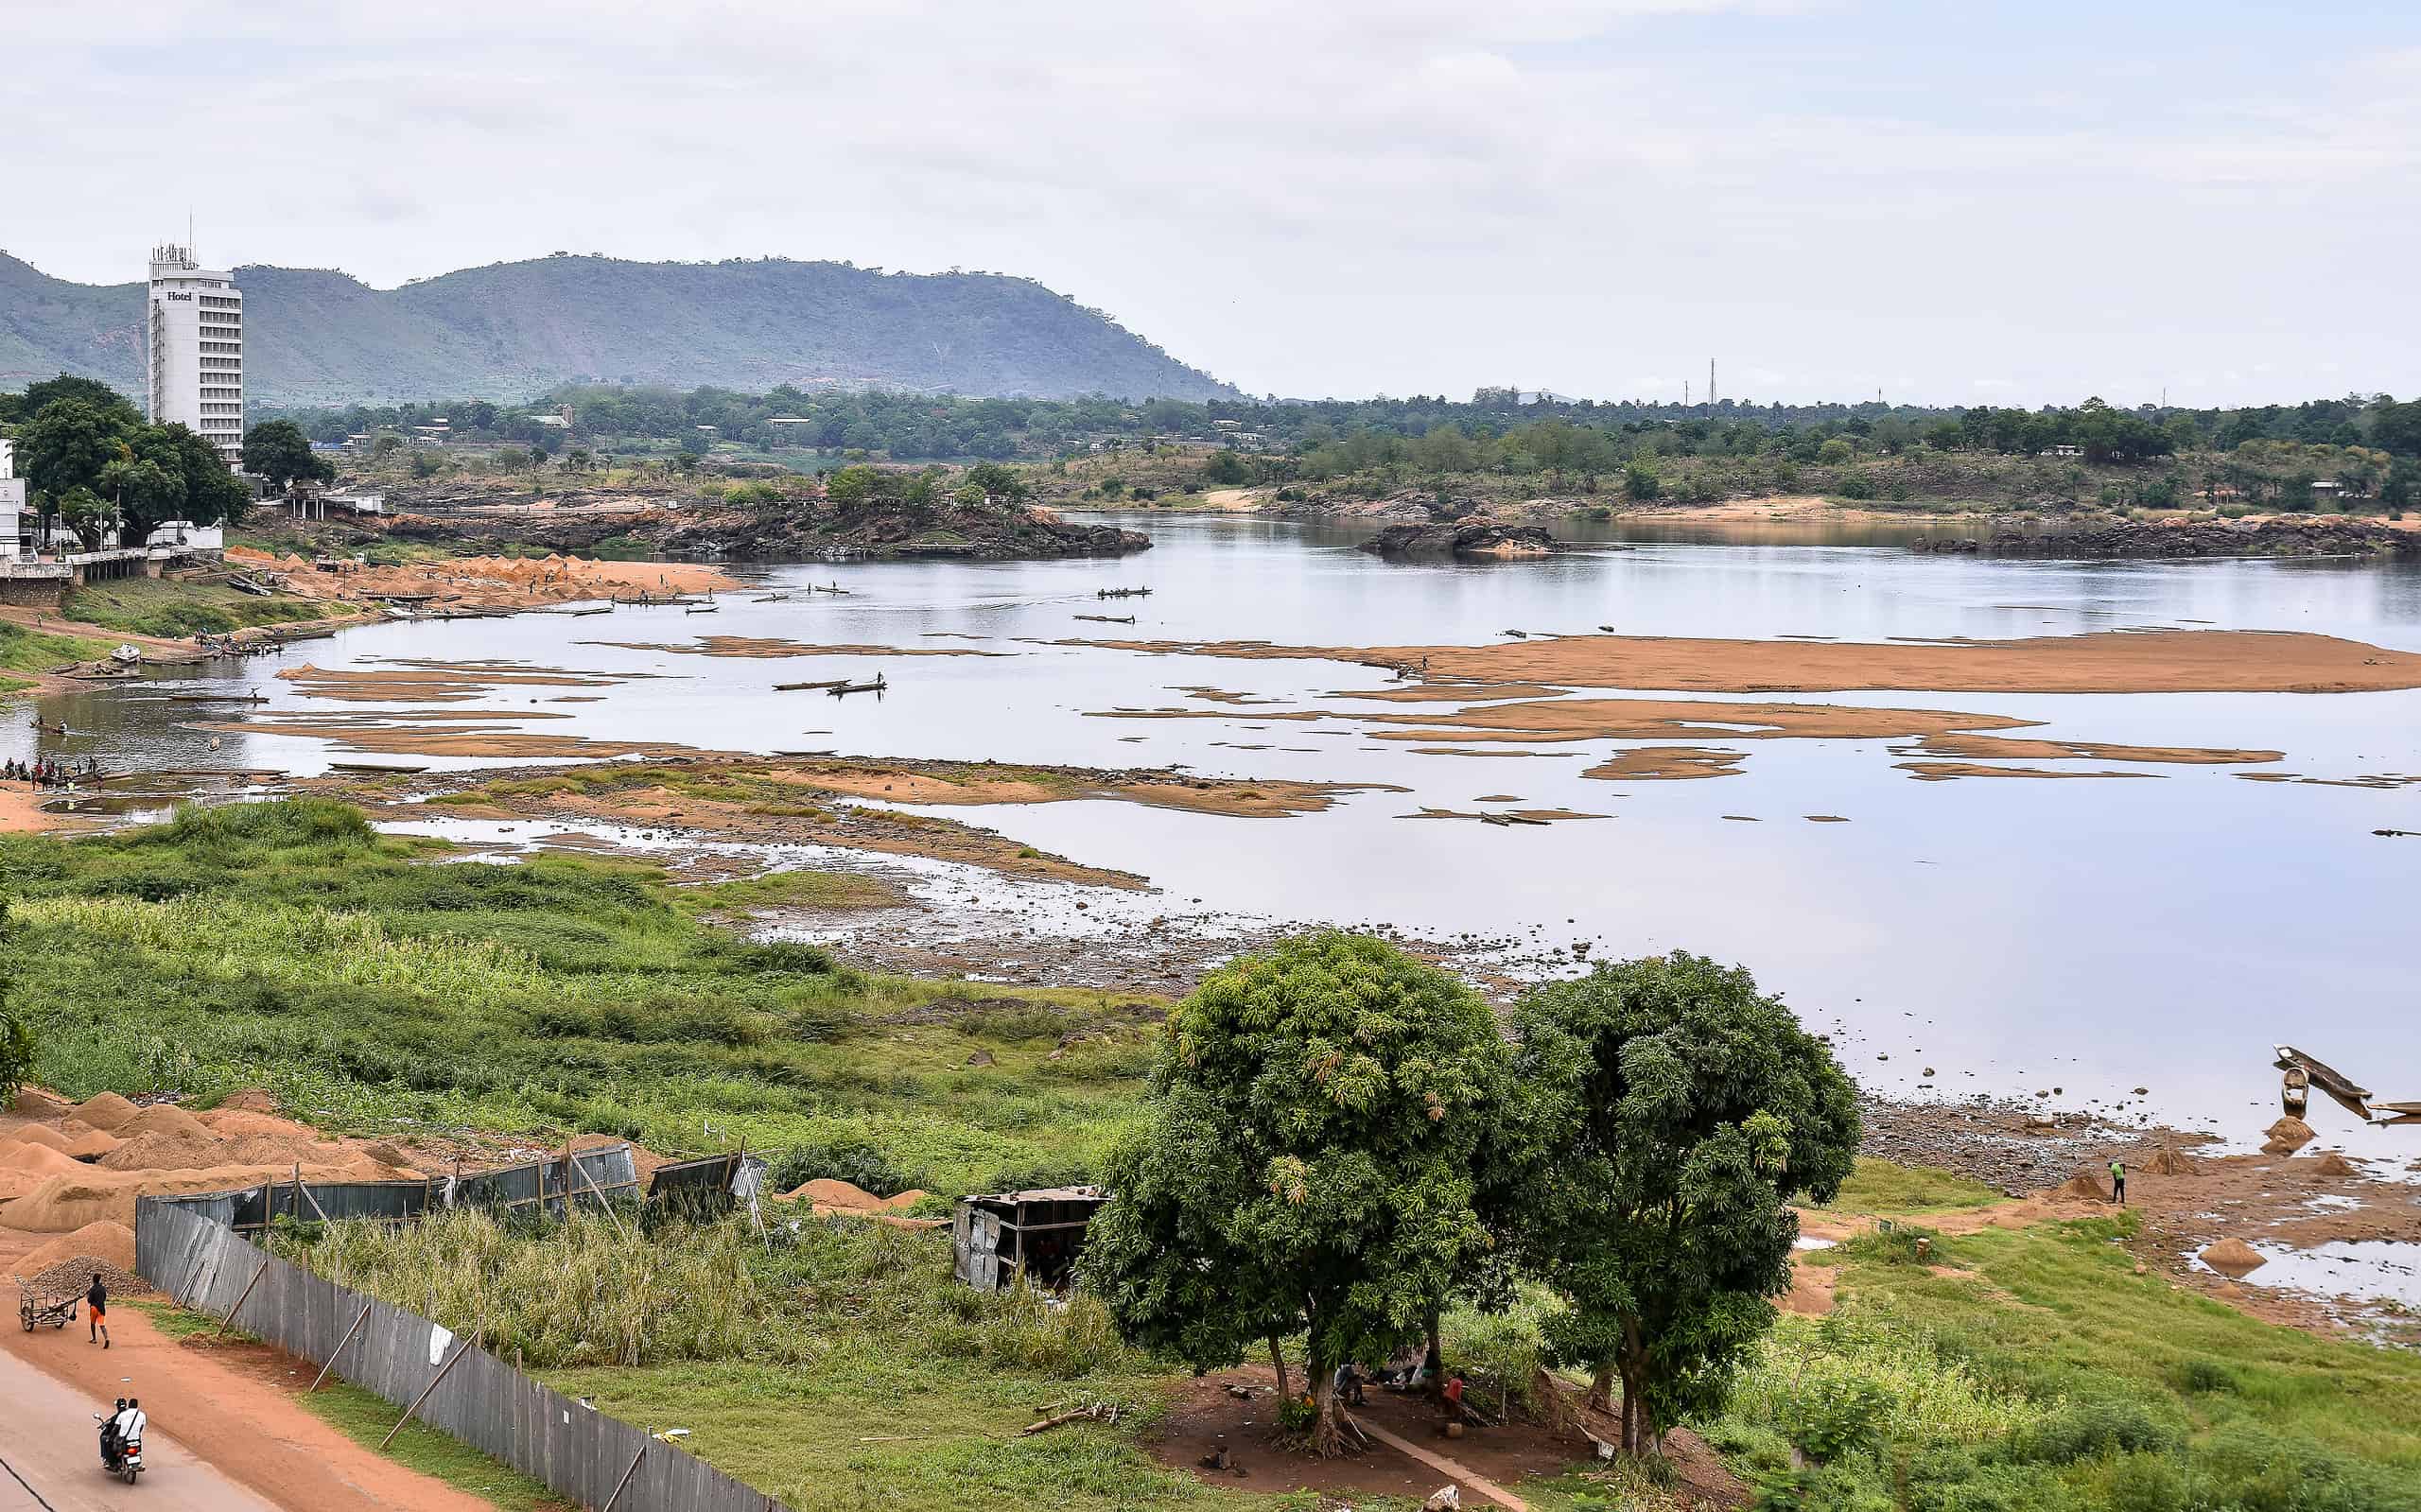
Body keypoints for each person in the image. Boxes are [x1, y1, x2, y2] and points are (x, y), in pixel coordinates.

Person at [87, 1272, 109, 1347]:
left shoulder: (92, 1289)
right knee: (102, 1325)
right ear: (99, 1280)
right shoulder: (103, 1288)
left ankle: (94, 1339)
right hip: (101, 1309)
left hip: (94, 1308)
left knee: (92, 1324)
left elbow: (89, 1300)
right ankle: (106, 1338)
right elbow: (105, 1298)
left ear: (93, 1280)